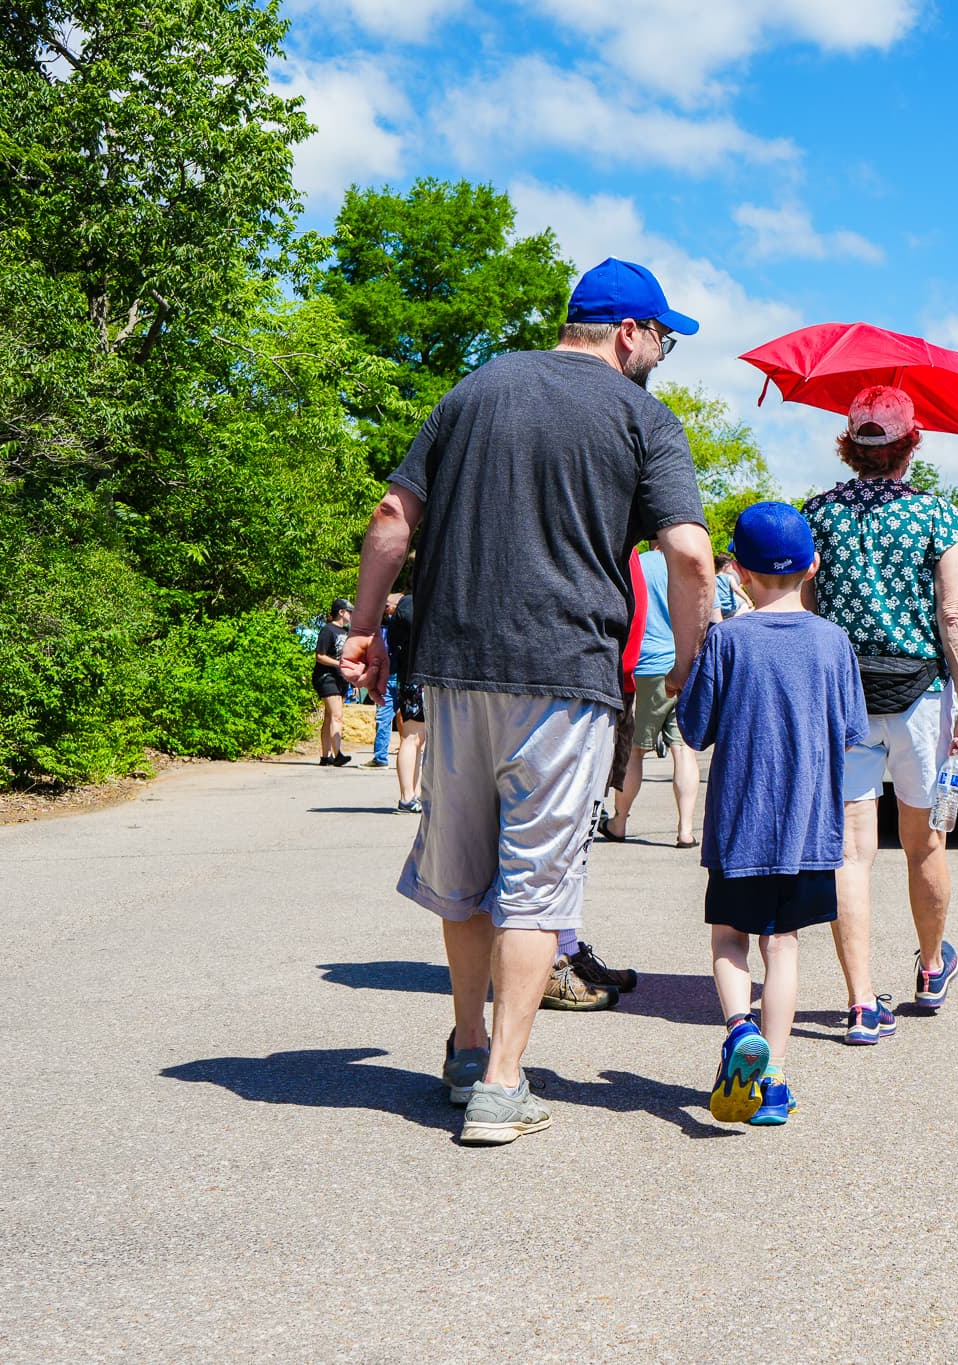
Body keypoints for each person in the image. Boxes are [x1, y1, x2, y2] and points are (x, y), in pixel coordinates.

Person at [337, 256, 713, 1147]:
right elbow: (692, 555)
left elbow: (391, 517)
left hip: (455, 667)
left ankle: (469, 1051)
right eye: (662, 341)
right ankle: (503, 1087)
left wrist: (365, 628)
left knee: (465, 875)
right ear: (628, 332)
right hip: (565, 674)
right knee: (536, 883)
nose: (661, 357)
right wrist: (692, 662)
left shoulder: (475, 389)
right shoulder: (644, 418)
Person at [677, 502, 868, 1125]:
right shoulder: (834, 641)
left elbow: (695, 729)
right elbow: (850, 731)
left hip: (741, 825)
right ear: (812, 566)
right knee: (782, 945)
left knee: (729, 936)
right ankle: (775, 1082)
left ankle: (739, 1029)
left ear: (737, 571)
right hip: (810, 828)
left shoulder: (726, 640)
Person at [802, 385, 958, 1045]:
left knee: (851, 855)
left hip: (844, 697)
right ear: (910, 446)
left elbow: (807, 611)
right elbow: (954, 613)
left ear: (849, 446)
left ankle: (859, 1004)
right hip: (920, 698)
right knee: (924, 841)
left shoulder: (817, 514)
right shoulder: (936, 514)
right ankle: (932, 967)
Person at [542, 545, 649, 1013]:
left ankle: (565, 946)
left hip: (613, 684)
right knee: (561, 832)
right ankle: (547, 960)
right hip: (585, 683)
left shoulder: (620, 532)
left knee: (582, 830)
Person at [604, 544, 700, 847]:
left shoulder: (639, 564)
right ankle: (686, 831)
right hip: (682, 663)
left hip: (646, 665)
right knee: (683, 749)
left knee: (636, 749)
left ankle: (619, 822)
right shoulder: (685, 563)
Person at [383, 591, 424, 813]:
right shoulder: (409, 602)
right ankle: (407, 796)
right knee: (411, 737)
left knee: (421, 740)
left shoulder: (412, 602)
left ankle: (416, 793)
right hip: (414, 678)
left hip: (420, 677)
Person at [312, 599, 355, 767]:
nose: (352, 615)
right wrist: (338, 664)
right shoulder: (328, 630)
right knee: (337, 715)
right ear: (341, 612)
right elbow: (320, 656)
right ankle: (338, 755)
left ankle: (325, 756)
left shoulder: (346, 631)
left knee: (330, 716)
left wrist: (352, 680)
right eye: (350, 612)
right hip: (326, 677)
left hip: (340, 678)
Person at [367, 594, 402, 768]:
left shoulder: (388, 629)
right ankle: (380, 757)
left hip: (398, 676)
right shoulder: (382, 629)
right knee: (384, 717)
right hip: (390, 676)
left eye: (387, 606)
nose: (385, 609)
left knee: (398, 718)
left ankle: (407, 753)